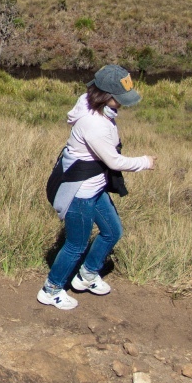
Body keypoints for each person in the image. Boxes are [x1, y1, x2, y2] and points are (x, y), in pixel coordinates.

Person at [38, 64, 154, 311]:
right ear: (106, 95)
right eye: (119, 98)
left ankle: (87, 275)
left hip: (95, 188)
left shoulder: (91, 104)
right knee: (76, 245)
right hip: (80, 194)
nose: (123, 103)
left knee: (113, 231)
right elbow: (113, 161)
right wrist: (145, 162)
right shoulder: (94, 124)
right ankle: (51, 289)